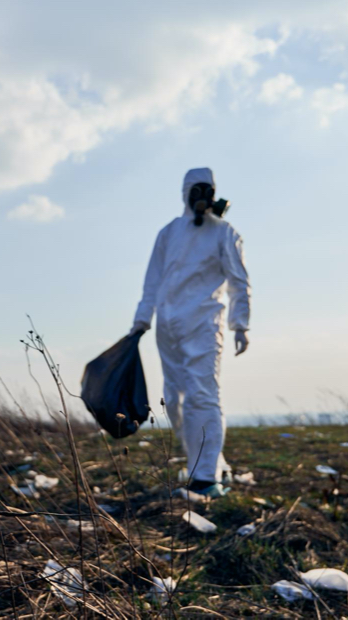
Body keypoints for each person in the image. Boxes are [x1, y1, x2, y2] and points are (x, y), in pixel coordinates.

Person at [131, 167, 251, 498]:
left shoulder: (224, 233)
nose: (201, 196)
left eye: (206, 189)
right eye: (195, 189)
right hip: (168, 327)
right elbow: (152, 279)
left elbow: (238, 281)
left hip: (204, 322)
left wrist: (240, 323)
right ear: (185, 192)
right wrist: (142, 319)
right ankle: (207, 463)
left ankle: (205, 476)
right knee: (175, 399)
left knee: (203, 395)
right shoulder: (169, 233)